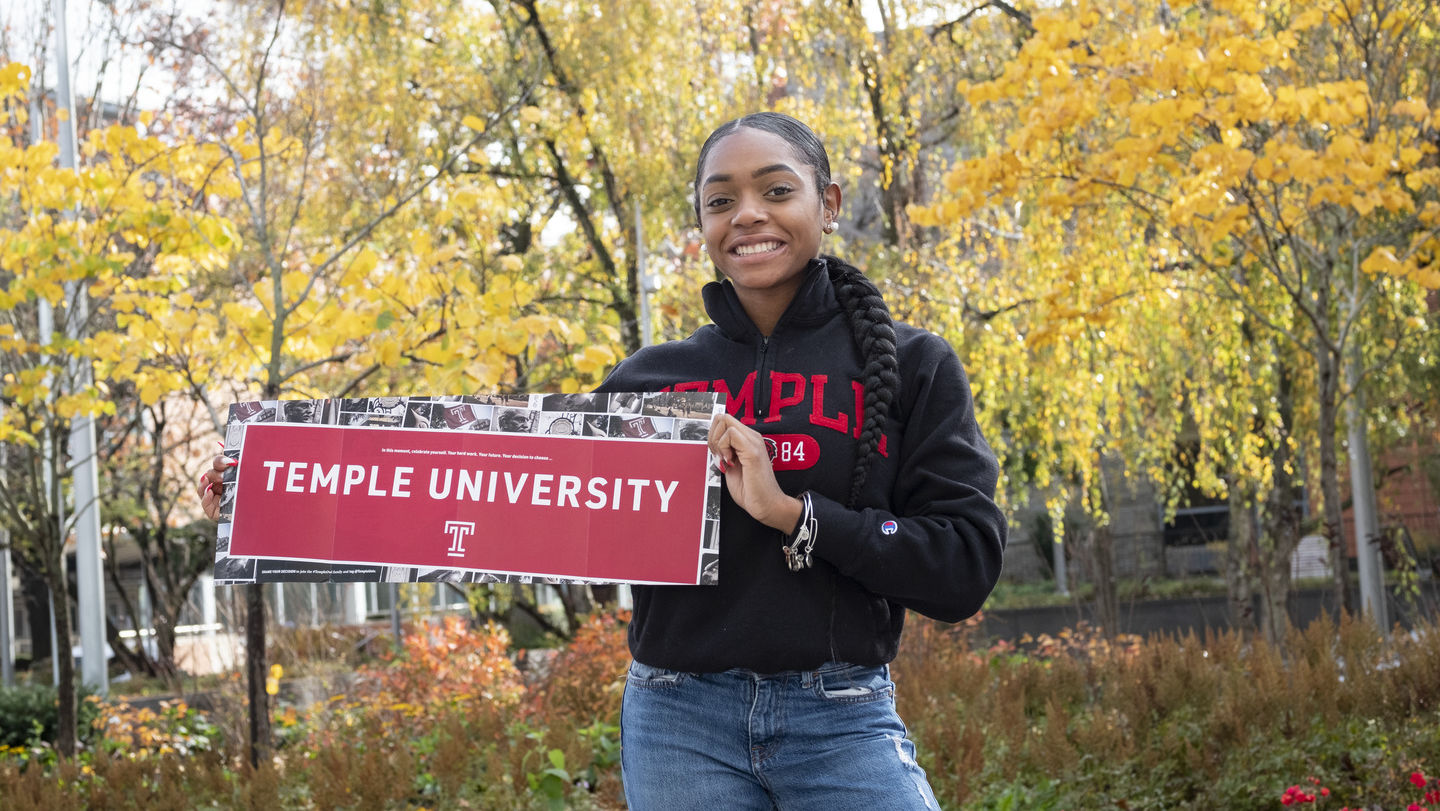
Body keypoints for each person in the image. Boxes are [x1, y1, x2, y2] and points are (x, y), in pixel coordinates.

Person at [196, 112, 1006, 808]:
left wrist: (794, 514)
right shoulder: (647, 385)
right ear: (701, 225)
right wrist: (266, 489)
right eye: (720, 200)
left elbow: (963, 566)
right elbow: (487, 500)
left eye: (777, 189)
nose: (748, 215)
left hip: (842, 713)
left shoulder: (910, 364)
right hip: (679, 721)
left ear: (827, 203)